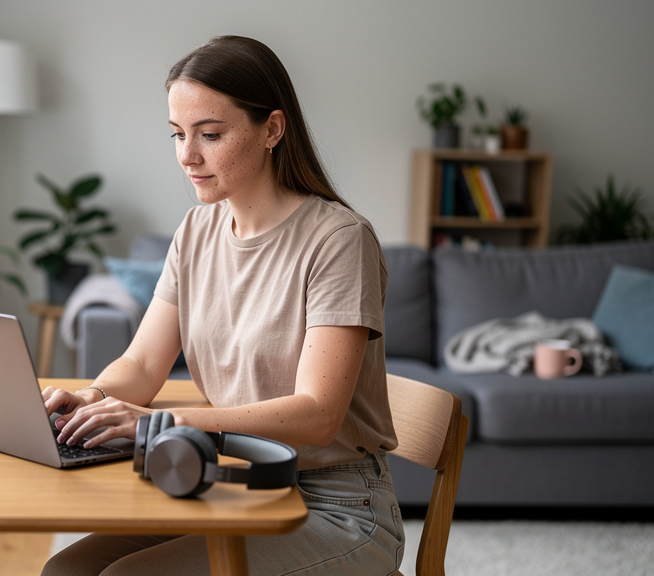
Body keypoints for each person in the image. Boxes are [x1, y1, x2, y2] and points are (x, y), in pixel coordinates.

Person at [41, 35, 402, 576]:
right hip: (232, 481)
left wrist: (162, 421)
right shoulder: (197, 229)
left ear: (272, 129)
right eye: (178, 134)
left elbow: (319, 414)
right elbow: (141, 365)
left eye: (210, 134)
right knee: (64, 572)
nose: (188, 156)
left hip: (335, 506)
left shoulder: (339, 240)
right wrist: (93, 400)